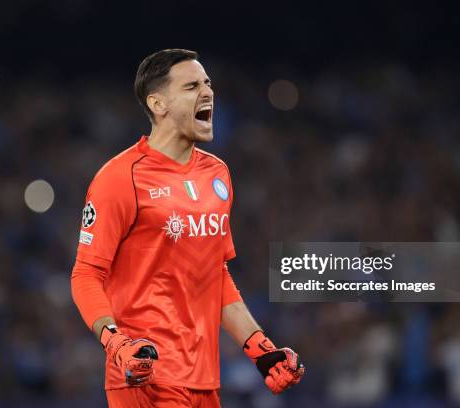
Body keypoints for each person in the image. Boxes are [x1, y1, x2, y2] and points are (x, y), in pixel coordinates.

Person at [70, 48, 305, 407]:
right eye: (192, 86)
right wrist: (115, 342)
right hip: (145, 377)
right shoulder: (119, 178)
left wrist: (260, 348)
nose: (208, 92)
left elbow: (215, 275)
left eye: (208, 84)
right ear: (158, 104)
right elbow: (86, 274)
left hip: (203, 378)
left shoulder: (218, 174)